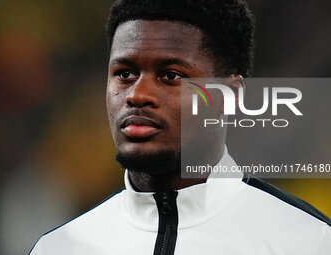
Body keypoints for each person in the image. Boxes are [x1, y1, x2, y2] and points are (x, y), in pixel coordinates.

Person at [30, 0, 331, 254]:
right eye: (125, 73)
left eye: (171, 76)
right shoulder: (58, 248)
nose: (137, 95)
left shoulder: (308, 241)